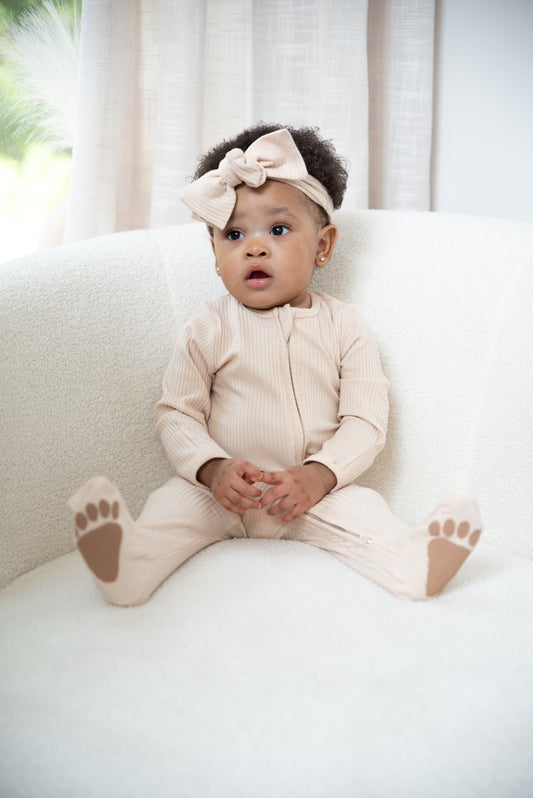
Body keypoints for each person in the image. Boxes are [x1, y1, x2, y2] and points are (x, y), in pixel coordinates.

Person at [69, 123, 482, 606]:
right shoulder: (208, 326)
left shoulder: (344, 325)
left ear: (323, 246)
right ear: (214, 253)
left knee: (365, 513)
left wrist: (321, 474)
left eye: (278, 229)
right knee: (169, 510)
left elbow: (366, 421)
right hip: (218, 495)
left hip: (310, 494)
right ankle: (131, 566)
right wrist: (211, 468)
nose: (255, 247)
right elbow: (177, 412)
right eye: (234, 233)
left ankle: (410, 563)